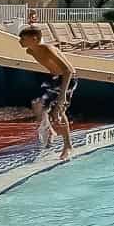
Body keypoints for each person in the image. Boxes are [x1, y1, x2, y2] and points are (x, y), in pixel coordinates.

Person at [19, 25, 75, 160]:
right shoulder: (30, 51)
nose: (20, 41)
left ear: (35, 38)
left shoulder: (47, 49)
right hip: (54, 79)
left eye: (23, 38)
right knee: (37, 104)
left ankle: (68, 145)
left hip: (67, 79)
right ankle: (49, 130)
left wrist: (62, 97)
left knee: (58, 112)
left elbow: (68, 71)